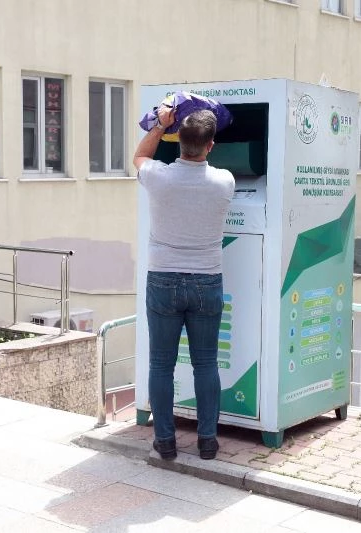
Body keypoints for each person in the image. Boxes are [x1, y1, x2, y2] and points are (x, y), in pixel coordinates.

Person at [134, 106, 235, 461]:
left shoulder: (159, 176)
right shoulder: (225, 181)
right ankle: (207, 441)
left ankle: (165, 442)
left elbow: (141, 155)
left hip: (163, 279)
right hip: (207, 281)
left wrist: (162, 124)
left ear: (179, 141)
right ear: (210, 145)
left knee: (161, 364)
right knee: (205, 364)